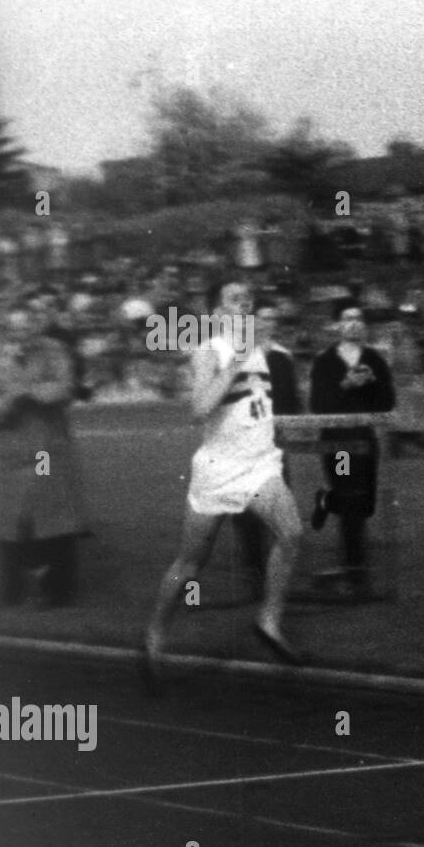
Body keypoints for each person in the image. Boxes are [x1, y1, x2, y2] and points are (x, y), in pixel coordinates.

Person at [145, 282, 304, 682]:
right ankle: (156, 633)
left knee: (292, 534)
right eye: (234, 298)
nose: (245, 302)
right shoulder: (207, 350)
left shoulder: (265, 349)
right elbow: (198, 408)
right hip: (218, 469)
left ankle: (268, 621)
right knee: (191, 563)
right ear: (217, 311)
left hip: (259, 466)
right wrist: (235, 364)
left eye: (248, 298)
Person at [0, 305, 89, 607]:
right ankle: (14, 588)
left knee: (51, 511)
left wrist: (21, 392)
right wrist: (14, 399)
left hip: (46, 450)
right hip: (7, 452)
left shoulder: (54, 351)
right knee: (10, 518)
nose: (20, 330)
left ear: (36, 326)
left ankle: (57, 589)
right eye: (14, 323)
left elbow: (63, 389)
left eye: (26, 324)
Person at [309, 305, 396, 593]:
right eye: (347, 319)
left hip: (365, 440)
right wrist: (345, 383)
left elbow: (387, 403)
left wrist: (371, 384)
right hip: (338, 443)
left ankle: (326, 500)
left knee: (364, 504)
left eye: (358, 319)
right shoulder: (325, 361)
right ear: (337, 325)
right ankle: (355, 570)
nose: (353, 324)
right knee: (352, 502)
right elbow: (317, 406)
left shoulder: (374, 360)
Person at [233, 305, 300, 595]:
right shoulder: (240, 355)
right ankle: (253, 568)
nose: (268, 323)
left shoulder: (283, 358)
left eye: (274, 318)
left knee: (276, 505)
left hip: (274, 443)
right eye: (263, 318)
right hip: (243, 442)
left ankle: (275, 572)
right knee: (245, 507)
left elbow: (292, 401)